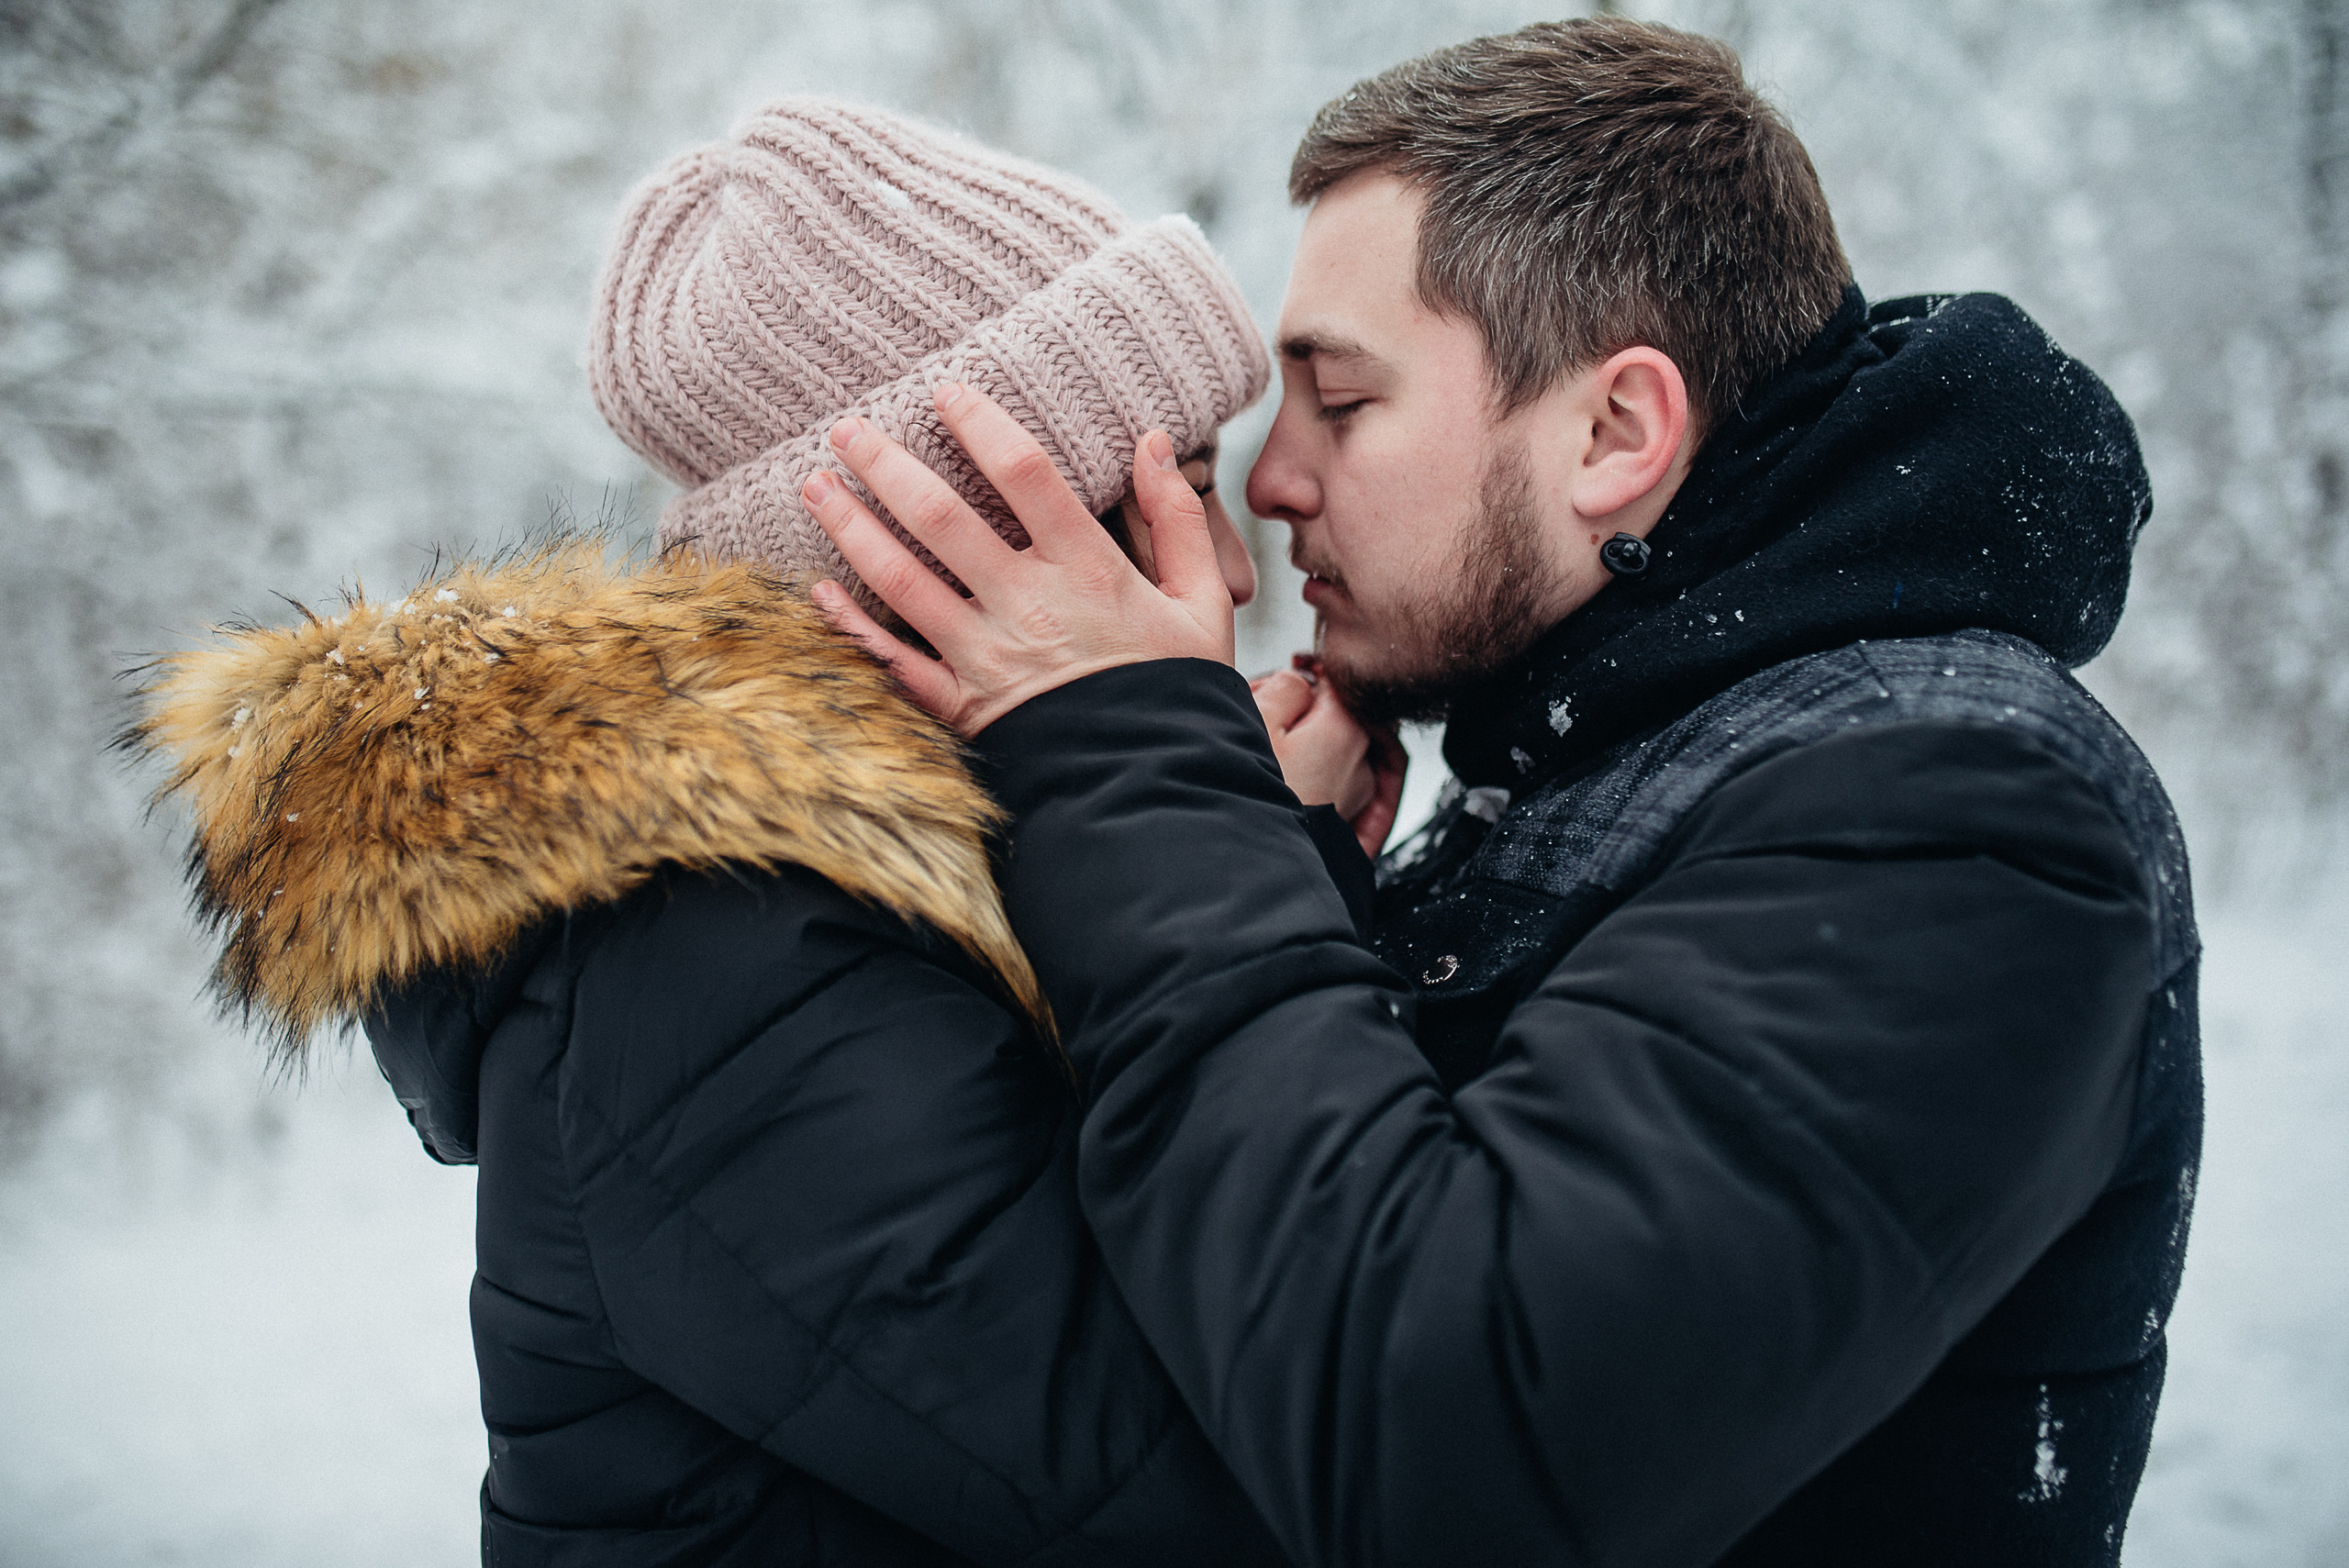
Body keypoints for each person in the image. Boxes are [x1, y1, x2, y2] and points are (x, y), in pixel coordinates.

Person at [805, 19, 2201, 1568]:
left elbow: (1455, 1447)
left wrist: (1141, 777)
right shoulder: (1621, 754)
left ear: (1615, 432)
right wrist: (1286, 872)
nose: (1271, 483)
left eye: (1341, 399)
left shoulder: (1961, 810)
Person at [128, 99, 1299, 1567]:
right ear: (941, 543)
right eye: (1178, 485)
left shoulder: (860, 905)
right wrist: (1213, 833)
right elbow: (1292, 1482)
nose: (1237, 571)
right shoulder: (726, 969)